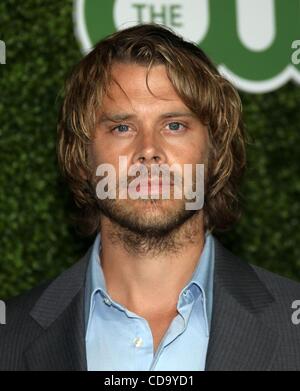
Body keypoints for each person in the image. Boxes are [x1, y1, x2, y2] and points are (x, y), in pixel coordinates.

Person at [1, 23, 300, 371]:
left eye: (174, 125)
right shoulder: (9, 336)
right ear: (82, 158)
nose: (148, 151)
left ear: (215, 152)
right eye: (121, 128)